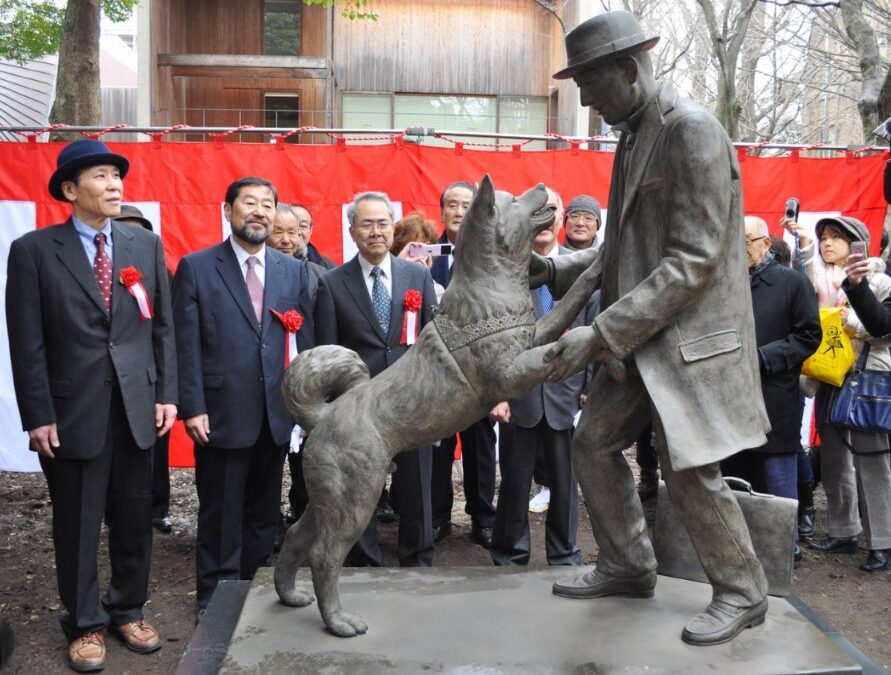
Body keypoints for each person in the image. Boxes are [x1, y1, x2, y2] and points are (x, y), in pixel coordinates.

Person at [541, 10, 771, 645]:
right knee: (592, 442)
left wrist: (602, 332)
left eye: (590, 82)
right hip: (642, 341)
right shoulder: (633, 132)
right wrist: (551, 268)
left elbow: (691, 261)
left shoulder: (691, 131)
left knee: (687, 469)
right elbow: (621, 248)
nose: (585, 97)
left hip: (683, 343)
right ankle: (627, 562)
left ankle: (744, 591)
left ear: (628, 69)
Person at [6, 139, 177, 671]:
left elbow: (163, 328)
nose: (114, 185)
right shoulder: (35, 250)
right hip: (70, 409)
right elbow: (26, 340)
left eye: (117, 176)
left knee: (133, 515)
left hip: (136, 406)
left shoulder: (141, 246)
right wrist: (38, 414)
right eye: (101, 177)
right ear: (69, 189)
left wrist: (167, 393)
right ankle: (83, 624)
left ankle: (128, 609)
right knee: (77, 523)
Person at [172, 177, 315, 617]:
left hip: (275, 412)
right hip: (220, 412)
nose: (259, 212)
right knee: (220, 512)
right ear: (227, 209)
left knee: (263, 513)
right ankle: (216, 599)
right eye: (249, 203)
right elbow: (185, 342)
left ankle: (255, 590)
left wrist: (303, 406)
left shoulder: (293, 270)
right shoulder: (197, 267)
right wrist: (193, 406)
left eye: (267, 205)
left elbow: (302, 340)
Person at [315, 191, 437, 567]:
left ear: (392, 228)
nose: (375, 231)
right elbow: (328, 354)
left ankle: (418, 563)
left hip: (411, 402)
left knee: (417, 488)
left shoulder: (417, 275)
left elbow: (434, 341)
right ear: (352, 231)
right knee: (359, 490)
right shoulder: (332, 284)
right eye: (366, 224)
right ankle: (364, 565)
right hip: (360, 407)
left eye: (383, 223)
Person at [489, 187, 594, 567]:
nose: (545, 219)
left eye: (552, 210)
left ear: (561, 217)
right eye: (538, 211)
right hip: (519, 393)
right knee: (515, 483)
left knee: (567, 484)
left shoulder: (582, 265)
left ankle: (565, 553)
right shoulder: (506, 268)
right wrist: (496, 394)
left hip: (568, 392)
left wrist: (591, 388)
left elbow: (595, 328)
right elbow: (494, 339)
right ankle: (510, 553)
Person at [721, 216, 821, 563]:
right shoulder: (723, 283)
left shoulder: (792, 283)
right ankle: (738, 550)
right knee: (733, 474)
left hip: (774, 396)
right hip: (729, 397)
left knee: (777, 478)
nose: (741, 247)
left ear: (766, 243)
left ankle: (783, 547)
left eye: (747, 240)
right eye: (736, 239)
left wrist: (765, 358)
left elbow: (809, 336)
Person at [798, 216, 891, 572]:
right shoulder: (817, 283)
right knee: (834, 457)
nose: (827, 243)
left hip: (867, 378)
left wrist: (842, 320)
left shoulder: (880, 281)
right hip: (829, 377)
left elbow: (882, 331)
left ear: (858, 244)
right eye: (824, 237)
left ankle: (882, 540)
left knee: (873, 462)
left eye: (837, 237)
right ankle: (843, 531)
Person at [430, 181, 497, 549]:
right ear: (441, 212)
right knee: (437, 449)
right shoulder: (426, 254)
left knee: (481, 449)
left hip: (478, 372)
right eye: (451, 205)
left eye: (465, 205)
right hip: (437, 373)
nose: (458, 212)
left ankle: (484, 519)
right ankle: (438, 518)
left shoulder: (490, 256)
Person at [112, 205, 175, 535]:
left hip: (148, 377)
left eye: (138, 228)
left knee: (155, 449)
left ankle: (157, 508)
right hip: (110, 378)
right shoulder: (100, 271)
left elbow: (167, 327)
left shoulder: (159, 269)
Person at [268, 203, 327, 528]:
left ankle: (307, 522)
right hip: (266, 383)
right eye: (280, 231)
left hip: (308, 384)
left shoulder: (322, 275)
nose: (288, 239)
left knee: (309, 461)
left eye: (294, 231)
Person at [291, 203, 336, 269]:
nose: (298, 232)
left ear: (311, 230)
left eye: (303, 226)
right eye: (292, 225)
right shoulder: (270, 263)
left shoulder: (328, 268)